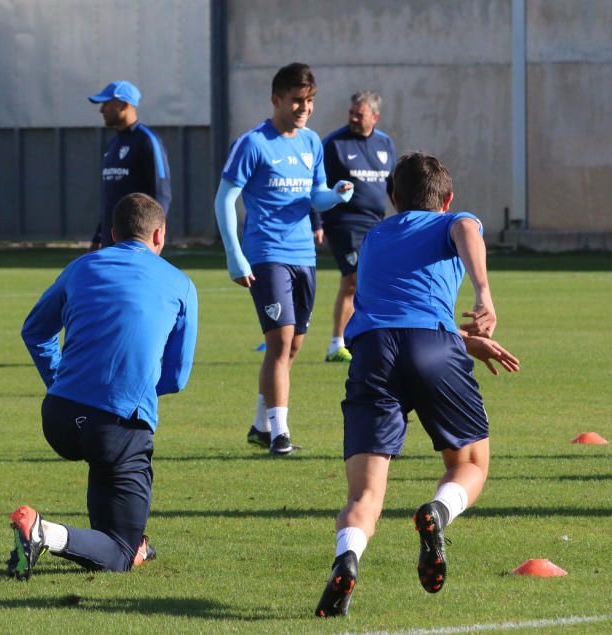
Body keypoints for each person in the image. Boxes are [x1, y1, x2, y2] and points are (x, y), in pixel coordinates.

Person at [314, 152, 520, 617]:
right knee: (470, 462)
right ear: (446, 200)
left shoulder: (375, 237)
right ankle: (437, 513)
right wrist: (483, 295)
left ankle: (348, 556)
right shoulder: (452, 220)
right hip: (432, 346)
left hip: (372, 354)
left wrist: (463, 340)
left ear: (392, 198)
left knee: (363, 495)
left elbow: (391, 315)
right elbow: (465, 231)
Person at [10, 192, 197, 579]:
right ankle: (44, 533)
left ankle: (97, 537)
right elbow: (177, 377)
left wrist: (59, 379)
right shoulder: (181, 284)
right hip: (116, 424)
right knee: (122, 553)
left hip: (58, 417)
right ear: (160, 235)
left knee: (106, 472)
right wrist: (130, 393)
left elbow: (35, 330)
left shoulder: (81, 267)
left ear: (112, 233)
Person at [214, 63, 353, 456]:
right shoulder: (252, 143)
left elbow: (317, 195)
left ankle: (260, 425)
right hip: (266, 253)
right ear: (276, 99)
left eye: (309, 101)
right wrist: (234, 255)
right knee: (280, 341)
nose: (303, 108)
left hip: (304, 255)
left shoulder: (311, 143)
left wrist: (337, 196)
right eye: (296, 100)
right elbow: (224, 199)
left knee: (294, 346)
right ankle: (280, 432)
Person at [311, 90, 397, 362]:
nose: (353, 118)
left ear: (375, 117)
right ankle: (337, 344)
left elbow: (393, 185)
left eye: (359, 114)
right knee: (354, 278)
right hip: (344, 223)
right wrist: (316, 221)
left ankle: (364, 338)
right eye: (351, 112)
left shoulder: (385, 144)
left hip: (376, 223)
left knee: (373, 280)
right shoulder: (335, 144)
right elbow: (315, 186)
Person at [88, 81, 171, 250]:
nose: (102, 109)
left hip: (137, 245)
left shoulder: (147, 140)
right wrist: (99, 235)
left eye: (107, 104)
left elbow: (162, 194)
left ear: (124, 105)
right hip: (109, 241)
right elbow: (111, 198)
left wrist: (154, 236)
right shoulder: (113, 144)